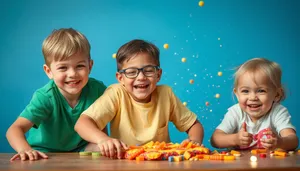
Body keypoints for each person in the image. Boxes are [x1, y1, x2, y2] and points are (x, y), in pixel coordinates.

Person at [75, 39, 204, 159]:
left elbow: (194, 125)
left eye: (148, 70)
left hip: (160, 162)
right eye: (131, 72)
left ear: (158, 75)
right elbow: (82, 124)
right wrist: (103, 139)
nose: (141, 77)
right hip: (125, 161)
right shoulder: (116, 93)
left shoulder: (166, 94)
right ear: (120, 78)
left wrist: (194, 141)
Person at [6, 28, 107, 161]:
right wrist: (25, 149)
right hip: (45, 152)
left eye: (80, 66)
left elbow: (102, 123)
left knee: (104, 147)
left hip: (82, 149)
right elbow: (14, 129)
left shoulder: (98, 90)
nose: (72, 74)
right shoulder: (45, 97)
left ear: (90, 66)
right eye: (63, 68)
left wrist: (104, 142)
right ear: (49, 71)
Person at [211, 58, 298, 151]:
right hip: (239, 164)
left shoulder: (278, 112)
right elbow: (215, 140)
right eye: (245, 91)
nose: (253, 97)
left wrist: (280, 142)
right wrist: (235, 139)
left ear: (276, 94)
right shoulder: (235, 112)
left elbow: (293, 141)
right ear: (237, 94)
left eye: (261, 91)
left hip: (271, 164)